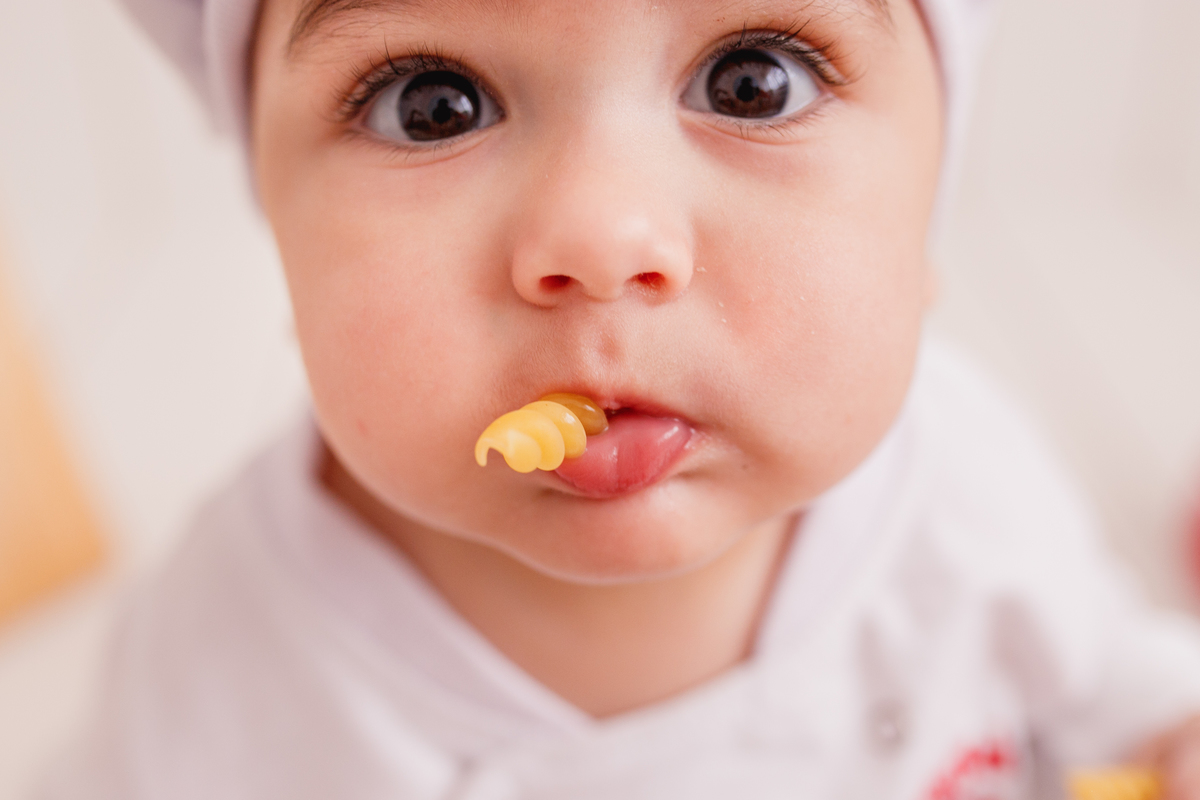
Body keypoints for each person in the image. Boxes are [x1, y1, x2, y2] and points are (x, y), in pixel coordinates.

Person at [41, 0, 1200, 797]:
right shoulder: (224, 661)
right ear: (280, 231)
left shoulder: (961, 485)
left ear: (926, 211)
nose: (602, 238)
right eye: (432, 104)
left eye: (753, 84)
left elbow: (1104, 672)